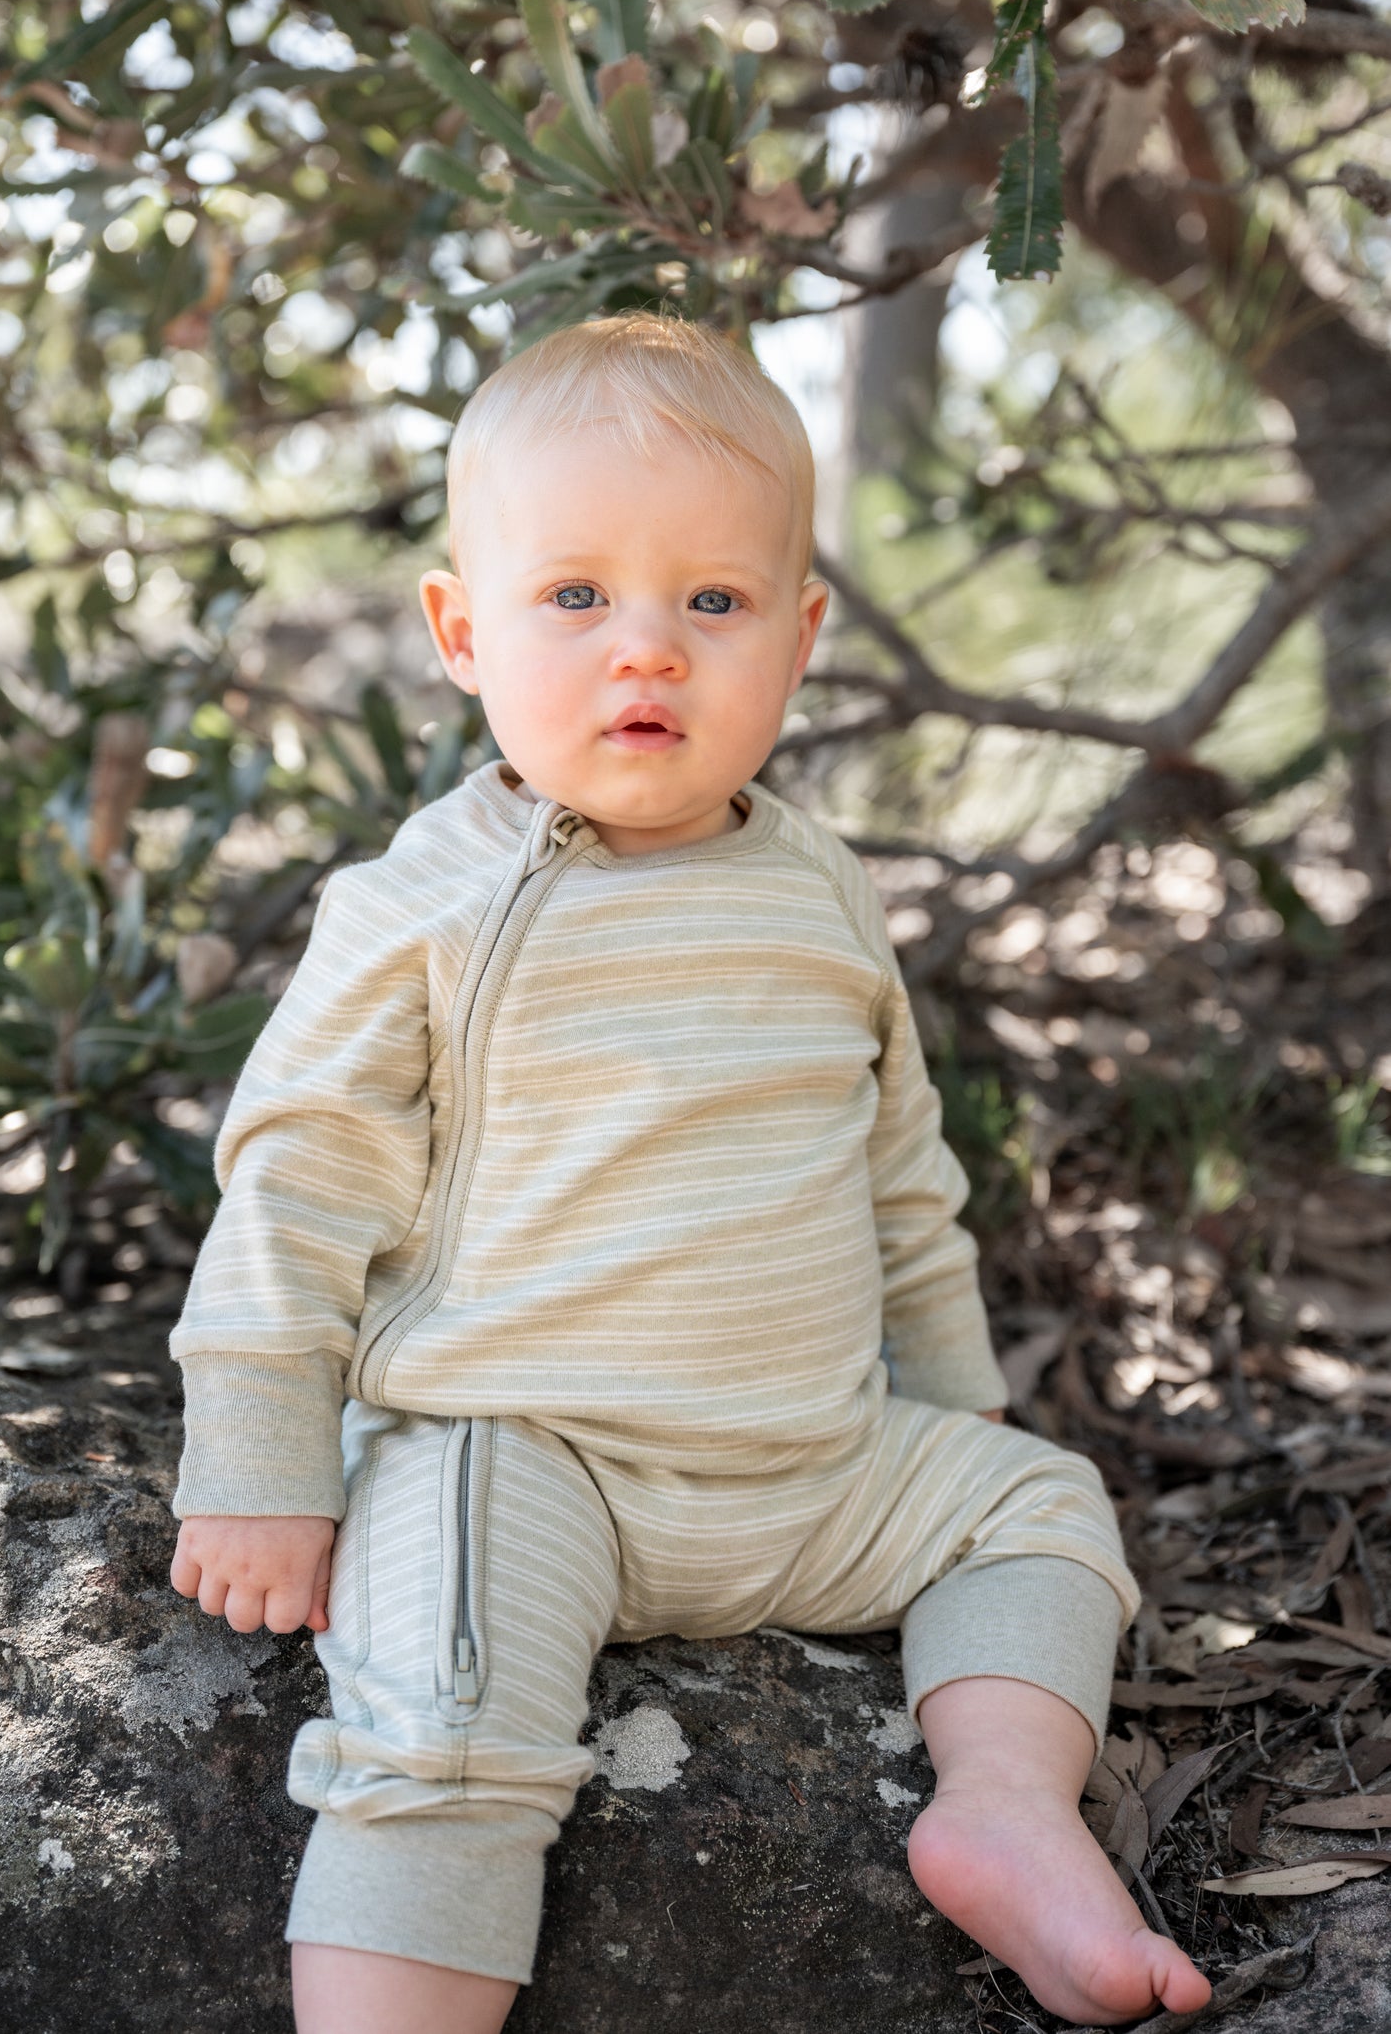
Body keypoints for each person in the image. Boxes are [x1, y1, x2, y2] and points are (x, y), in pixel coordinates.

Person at [168, 313, 1213, 2034]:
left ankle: (1005, 1808)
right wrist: (261, 1450)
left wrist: (950, 1415)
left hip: (806, 1467)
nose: (644, 650)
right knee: (438, 1719)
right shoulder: (424, 902)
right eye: (574, 598)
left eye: (711, 604)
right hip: (528, 1453)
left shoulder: (820, 891)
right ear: (460, 630)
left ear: (798, 638)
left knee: (1039, 1510)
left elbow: (899, 1179)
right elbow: (298, 1174)